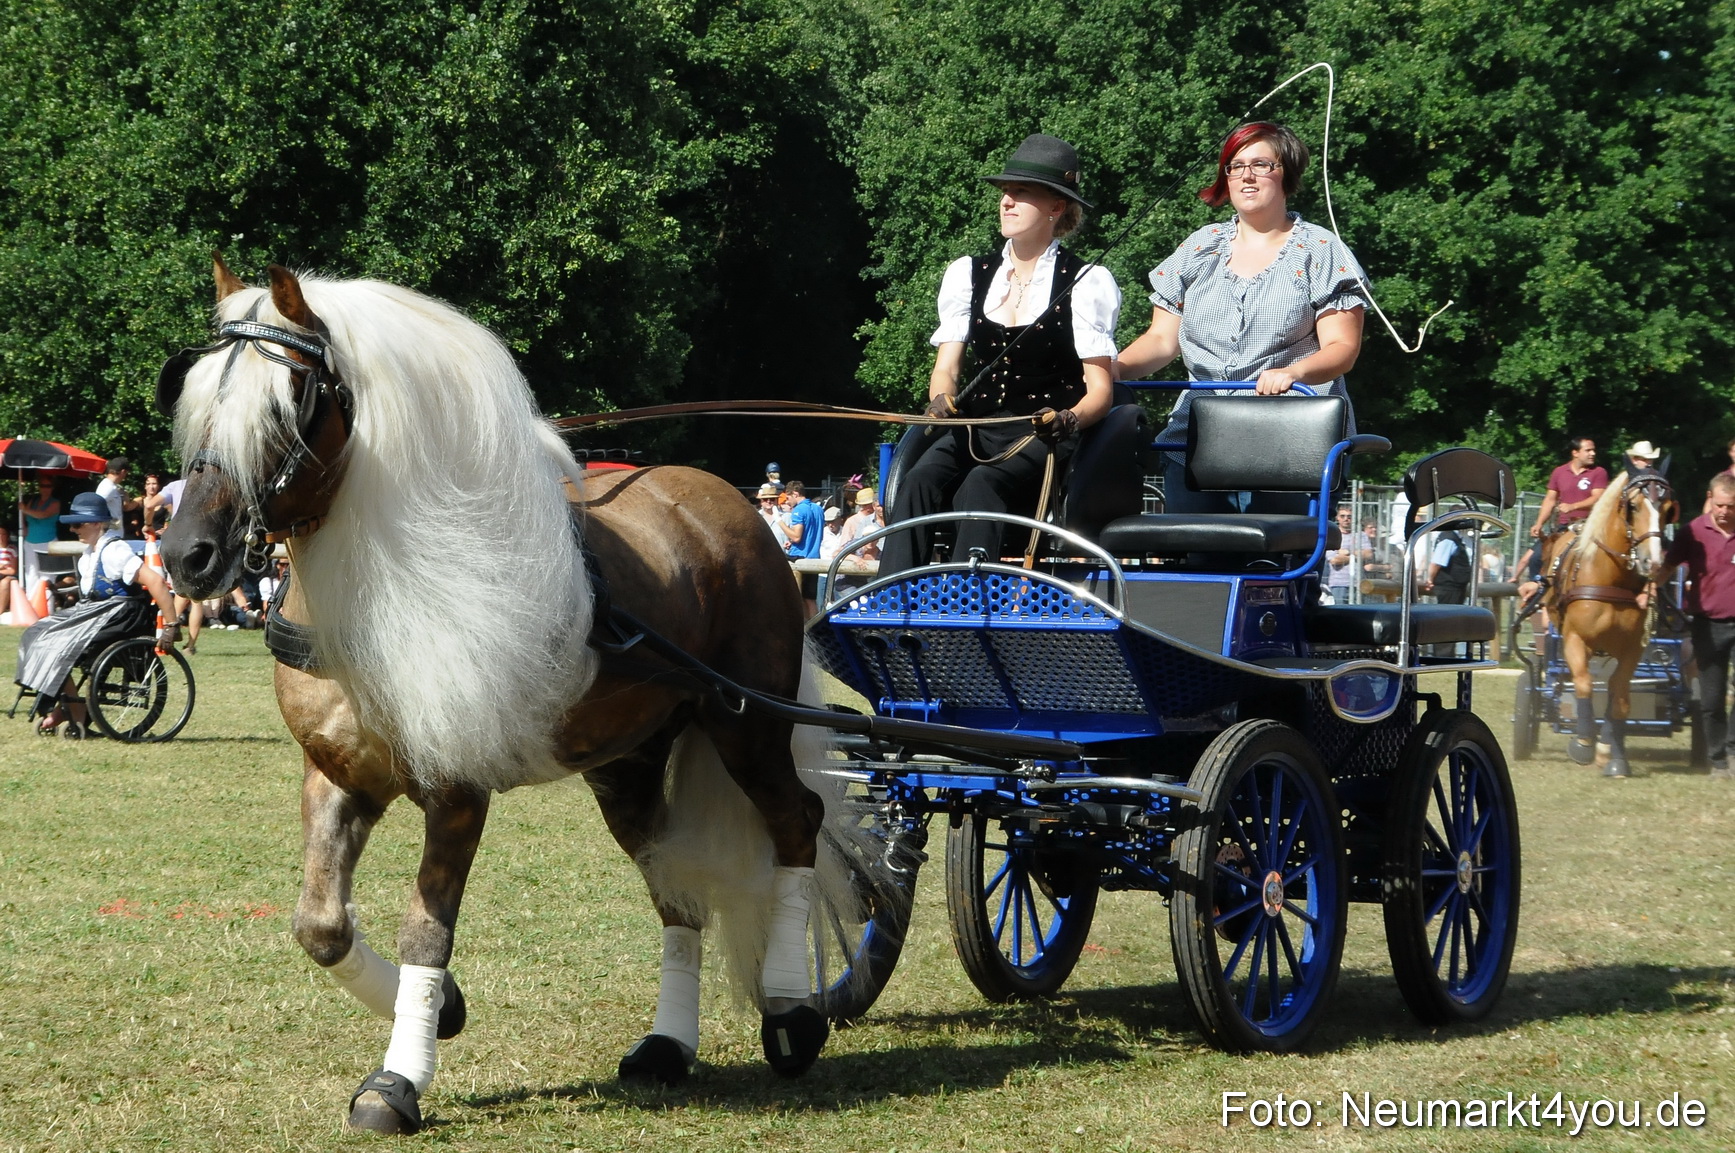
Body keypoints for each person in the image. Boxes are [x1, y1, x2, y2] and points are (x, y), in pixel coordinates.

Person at [880, 134, 1121, 573]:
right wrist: (939, 401)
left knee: (981, 484)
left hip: (1043, 434)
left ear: (1055, 208)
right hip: (976, 427)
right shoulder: (967, 273)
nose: (1007, 201)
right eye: (1005, 192)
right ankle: (890, 599)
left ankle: (963, 605)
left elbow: (1100, 392)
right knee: (918, 479)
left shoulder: (1087, 281)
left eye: (1022, 192)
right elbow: (946, 368)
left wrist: (1068, 419)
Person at [1114, 121, 1367, 516]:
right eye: (1235, 165)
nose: (1246, 175)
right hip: (1196, 441)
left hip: (1291, 445)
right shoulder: (1199, 248)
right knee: (1197, 567)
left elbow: (1342, 348)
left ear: (1288, 174)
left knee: (1275, 569)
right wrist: (1111, 370)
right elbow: (1162, 341)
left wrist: (1295, 373)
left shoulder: (1320, 250)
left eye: (1262, 164)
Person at [13, 491, 179, 738]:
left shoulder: (115, 551)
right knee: (36, 633)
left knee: (59, 644)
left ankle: (74, 710)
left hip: (121, 615)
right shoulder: (88, 555)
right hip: (97, 612)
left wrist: (171, 624)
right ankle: (69, 703)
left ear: (96, 523)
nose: (74, 530)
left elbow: (155, 581)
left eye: (78, 524)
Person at [1655, 474, 1735, 779]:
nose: (1724, 511)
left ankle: (1734, 751)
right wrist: (1647, 589)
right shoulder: (1693, 532)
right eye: (1720, 505)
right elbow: (1667, 567)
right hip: (1707, 624)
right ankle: (1717, 761)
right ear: (1710, 498)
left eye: (1730, 506)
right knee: (1712, 698)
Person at [1530, 437, 1607, 540]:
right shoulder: (1559, 472)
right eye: (1588, 450)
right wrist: (1539, 523)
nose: (1593, 453)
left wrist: (1573, 506)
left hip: (1589, 526)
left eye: (1593, 450)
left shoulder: (1599, 472)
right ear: (1575, 453)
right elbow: (1550, 500)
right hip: (1563, 527)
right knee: (1533, 556)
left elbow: (1598, 498)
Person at [19, 477, 62, 589]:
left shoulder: (55, 503)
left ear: (52, 488)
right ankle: (31, 603)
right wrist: (23, 527)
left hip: (47, 543)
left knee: (47, 577)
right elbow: (24, 517)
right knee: (30, 575)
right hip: (30, 542)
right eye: (42, 485)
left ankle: (47, 605)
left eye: (48, 486)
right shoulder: (33, 501)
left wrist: (24, 509)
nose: (45, 488)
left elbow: (42, 515)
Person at [1323, 505, 1370, 604]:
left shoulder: (1361, 535)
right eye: (1342, 516)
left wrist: (1349, 552)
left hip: (1359, 583)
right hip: (1338, 583)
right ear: (1337, 518)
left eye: (1349, 516)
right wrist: (1357, 555)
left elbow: (1368, 554)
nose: (1346, 519)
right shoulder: (1332, 535)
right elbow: (1334, 560)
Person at [1423, 525, 1473, 604]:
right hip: (1449, 587)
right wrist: (1430, 579)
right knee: (1449, 614)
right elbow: (1437, 563)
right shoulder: (1449, 539)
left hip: (1455, 587)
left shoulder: (1455, 538)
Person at [780, 481, 824, 561]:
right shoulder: (818, 509)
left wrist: (779, 522)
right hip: (815, 558)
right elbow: (810, 532)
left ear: (795, 494)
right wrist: (792, 542)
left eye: (788, 498)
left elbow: (796, 537)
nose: (787, 502)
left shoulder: (798, 509)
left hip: (799, 558)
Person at [95, 456, 139, 527]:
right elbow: (96, 508)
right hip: (109, 534)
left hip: (113, 533)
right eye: (126, 473)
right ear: (123, 472)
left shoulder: (112, 486)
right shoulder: (107, 487)